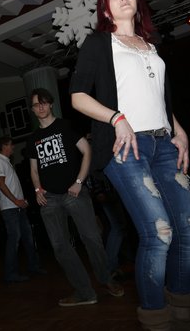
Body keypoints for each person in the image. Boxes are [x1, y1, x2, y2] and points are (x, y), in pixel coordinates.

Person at [70, 0, 190, 330]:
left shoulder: (150, 46)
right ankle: (156, 318)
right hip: (127, 146)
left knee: (188, 230)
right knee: (159, 233)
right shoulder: (99, 43)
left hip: (165, 144)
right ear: (105, 8)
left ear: (137, 2)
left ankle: (182, 309)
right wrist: (116, 118)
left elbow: (159, 98)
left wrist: (179, 130)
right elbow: (78, 96)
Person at [27, 88, 123, 307]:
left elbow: (87, 151)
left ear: (51, 104)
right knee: (60, 247)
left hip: (74, 193)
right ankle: (84, 292)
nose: (40, 107)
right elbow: (33, 169)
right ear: (32, 109)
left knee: (92, 238)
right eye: (36, 104)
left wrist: (79, 181)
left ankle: (106, 279)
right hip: (49, 199)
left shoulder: (65, 126)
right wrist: (37, 190)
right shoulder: (33, 139)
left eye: (44, 102)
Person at [0, 136, 43, 283]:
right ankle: (11, 274)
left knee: (27, 237)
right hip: (10, 208)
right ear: (4, 146)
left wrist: (21, 201)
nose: (13, 147)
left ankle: (33, 266)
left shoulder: (6, 162)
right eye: (11, 145)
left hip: (17, 208)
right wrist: (16, 201)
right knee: (14, 239)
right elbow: (1, 184)